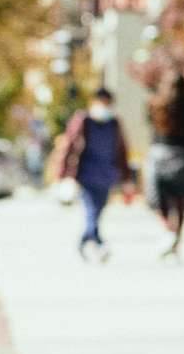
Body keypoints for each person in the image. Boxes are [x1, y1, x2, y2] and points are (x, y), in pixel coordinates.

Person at [56, 88, 131, 261]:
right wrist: (63, 175)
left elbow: (122, 150)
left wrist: (126, 177)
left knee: (99, 210)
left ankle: (85, 242)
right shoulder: (82, 121)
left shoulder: (114, 124)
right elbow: (69, 148)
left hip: (106, 175)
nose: (105, 107)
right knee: (91, 209)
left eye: (108, 103)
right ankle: (99, 245)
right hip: (86, 174)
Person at [146, 75, 184, 259]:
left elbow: (152, 133)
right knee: (181, 201)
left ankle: (168, 231)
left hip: (160, 155)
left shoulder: (157, 105)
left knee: (161, 200)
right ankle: (175, 238)